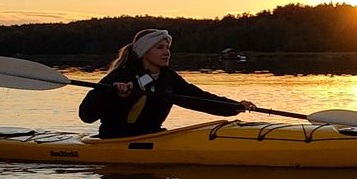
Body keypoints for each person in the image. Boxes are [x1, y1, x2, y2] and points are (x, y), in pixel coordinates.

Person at [79, 28, 255, 138]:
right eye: (159, 48)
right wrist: (114, 95)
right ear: (144, 52)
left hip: (154, 137)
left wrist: (235, 106)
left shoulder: (168, 78)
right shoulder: (122, 75)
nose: (166, 52)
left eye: (167, 48)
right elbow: (86, 115)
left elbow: (197, 98)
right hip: (115, 141)